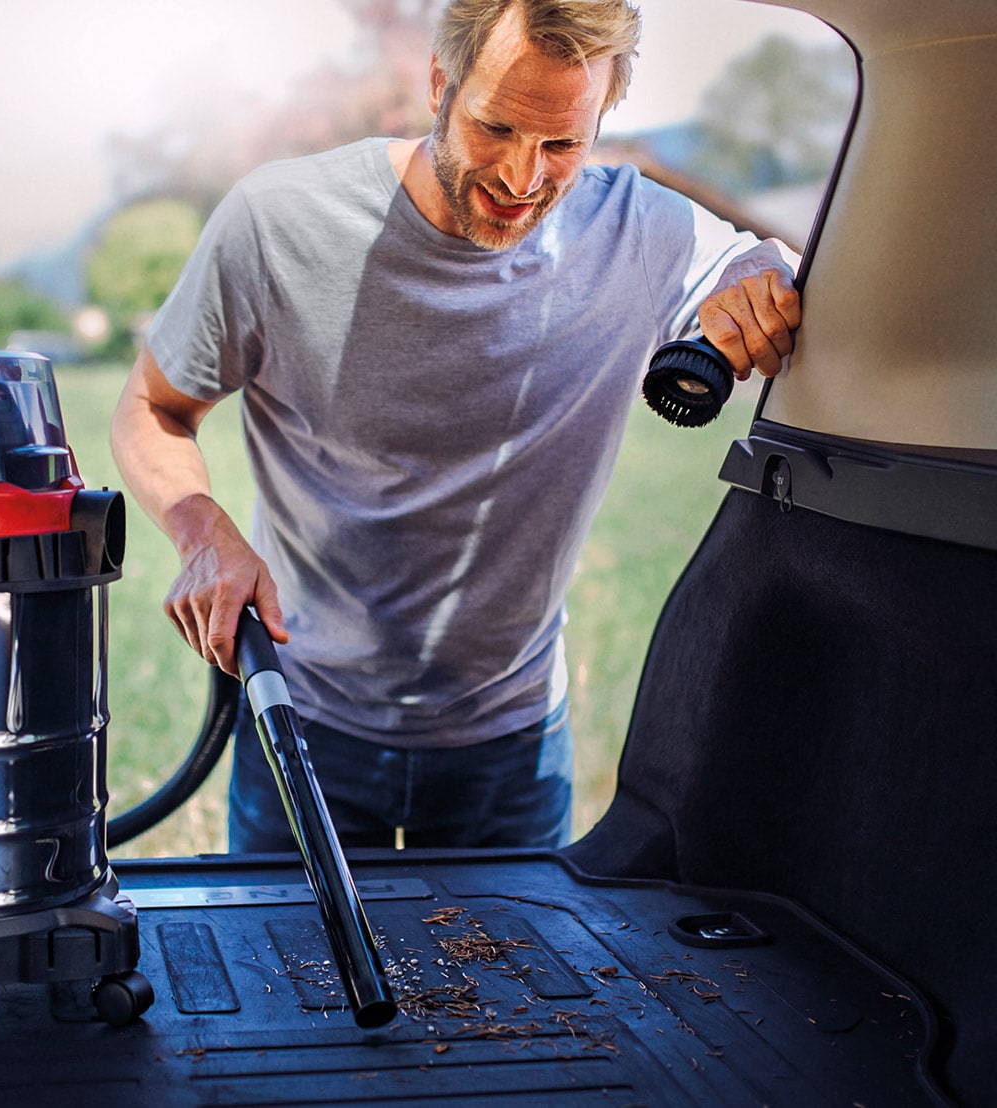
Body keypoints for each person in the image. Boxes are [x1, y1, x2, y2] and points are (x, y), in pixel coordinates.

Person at [109, 0, 801, 853]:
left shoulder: (642, 232)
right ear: (440, 81)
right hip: (306, 717)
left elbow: (765, 267)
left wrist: (767, 277)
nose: (520, 177)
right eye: (495, 127)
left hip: (511, 741)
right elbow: (152, 408)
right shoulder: (278, 224)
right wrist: (202, 533)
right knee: (294, 983)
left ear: (605, 115)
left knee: (514, 991)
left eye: (562, 145)